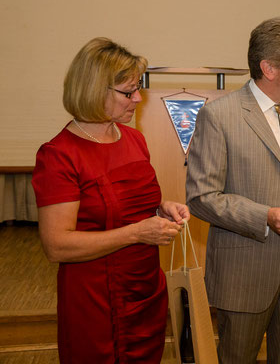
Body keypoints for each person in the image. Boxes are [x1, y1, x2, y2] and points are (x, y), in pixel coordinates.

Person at [186, 16, 280, 363]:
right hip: (245, 267)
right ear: (269, 67)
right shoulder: (220, 116)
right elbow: (202, 198)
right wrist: (265, 217)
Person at [32, 37, 190, 363]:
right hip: (96, 297)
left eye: (138, 88)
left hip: (145, 288)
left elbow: (129, 203)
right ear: (95, 90)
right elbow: (56, 246)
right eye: (128, 92)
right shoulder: (60, 155)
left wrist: (162, 208)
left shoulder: (133, 139)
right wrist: (137, 232)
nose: (138, 98)